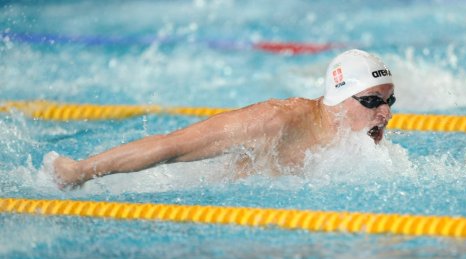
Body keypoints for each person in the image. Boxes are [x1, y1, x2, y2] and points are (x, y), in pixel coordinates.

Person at [50, 49, 395, 189]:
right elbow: (171, 147)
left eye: (389, 101)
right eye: (371, 101)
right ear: (337, 98)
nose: (385, 113)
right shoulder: (274, 122)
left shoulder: (357, 139)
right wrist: (80, 172)